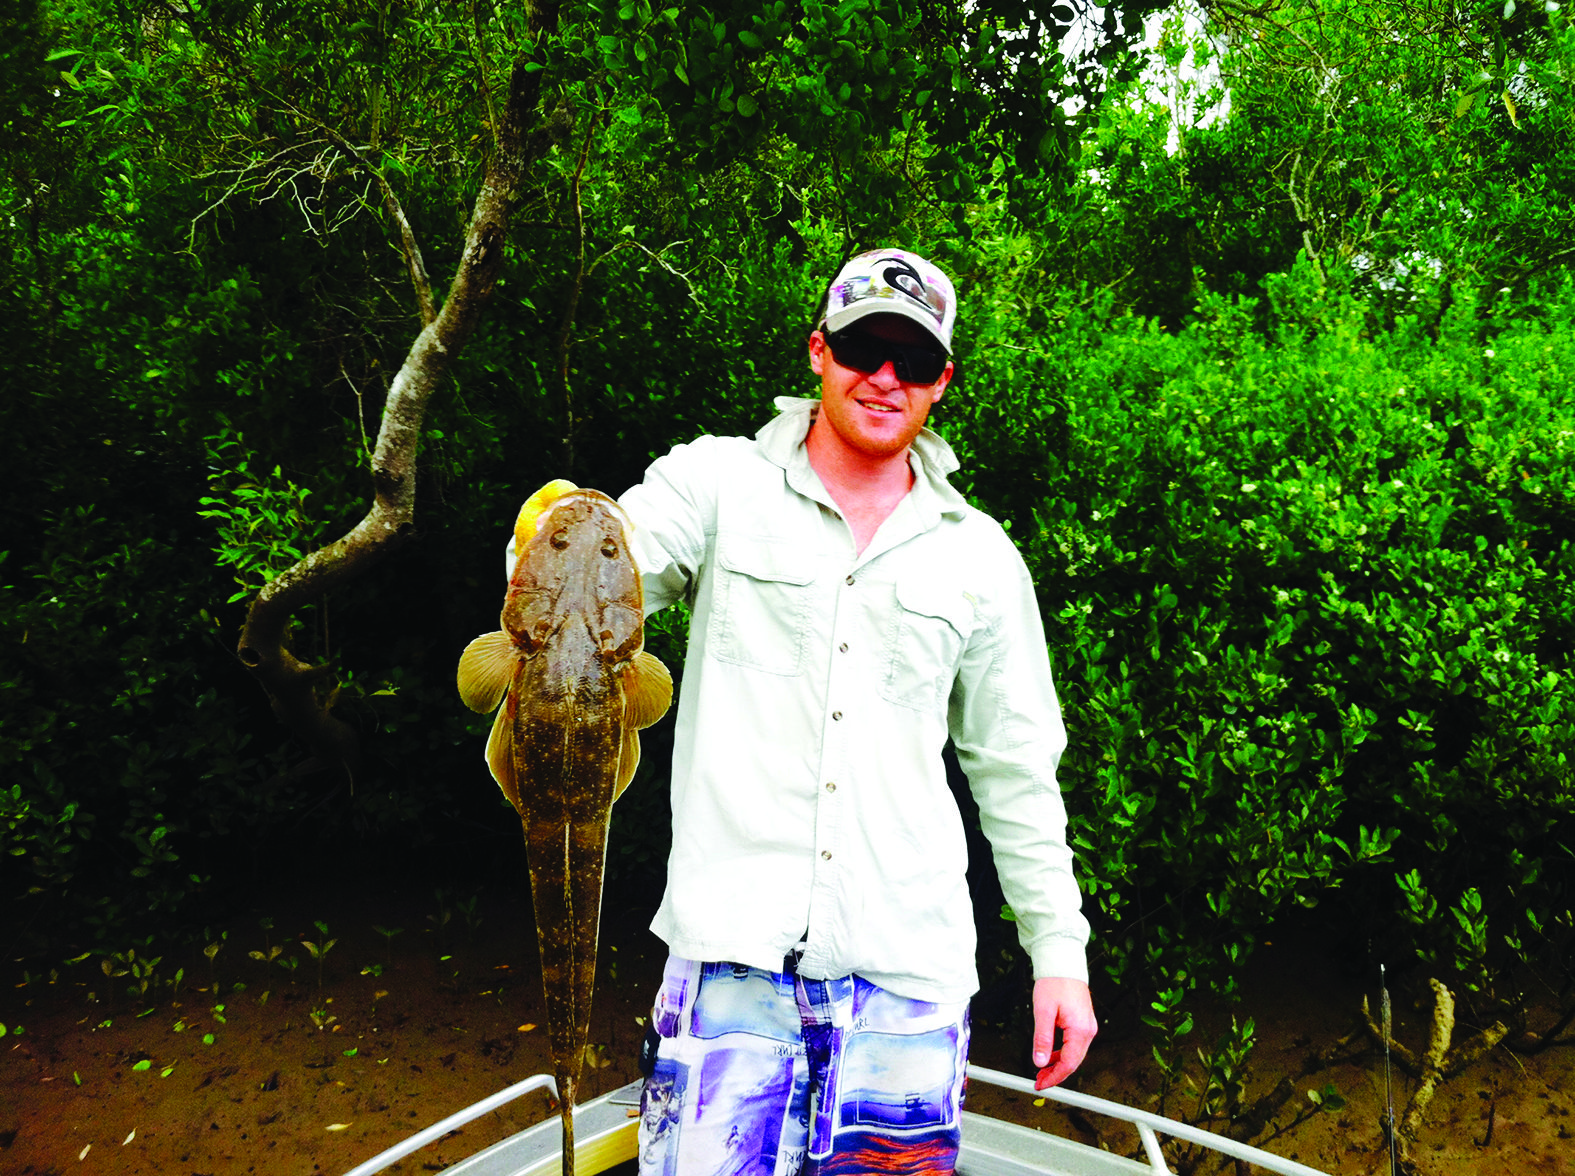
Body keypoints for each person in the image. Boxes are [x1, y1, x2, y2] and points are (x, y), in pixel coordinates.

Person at [617, 248, 1095, 1176]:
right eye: (863, 348)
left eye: (911, 361)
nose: (884, 378)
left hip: (908, 985)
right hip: (729, 969)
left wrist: (1058, 954)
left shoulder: (981, 557)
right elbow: (612, 564)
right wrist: (553, 544)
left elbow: (1016, 769)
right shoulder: (714, 483)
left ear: (940, 382)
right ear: (817, 353)